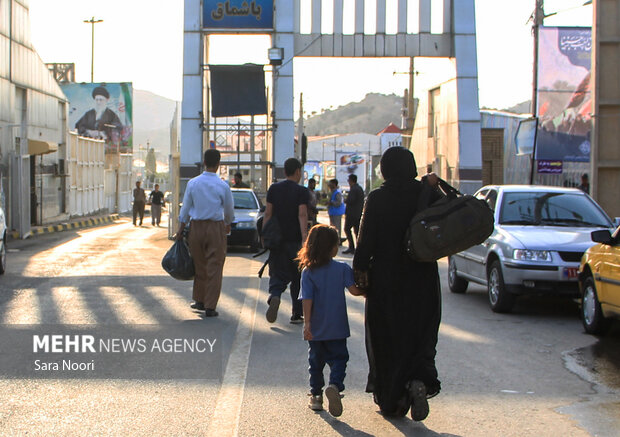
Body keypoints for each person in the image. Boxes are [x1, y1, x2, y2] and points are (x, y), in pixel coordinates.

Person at [353, 146, 441, 421]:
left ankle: (392, 399)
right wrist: (432, 186)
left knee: (387, 338)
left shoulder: (377, 198)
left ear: (385, 170)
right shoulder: (426, 193)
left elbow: (365, 243)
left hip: (387, 280)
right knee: (419, 335)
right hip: (423, 278)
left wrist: (359, 272)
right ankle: (419, 381)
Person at [298, 224, 364, 416]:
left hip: (317, 329)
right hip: (338, 328)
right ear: (331, 247)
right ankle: (335, 386)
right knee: (340, 359)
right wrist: (369, 291)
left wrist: (307, 324)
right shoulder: (342, 269)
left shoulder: (308, 272)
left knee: (315, 363)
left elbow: (307, 299)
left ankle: (316, 397)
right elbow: (354, 291)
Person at [175, 149, 234, 317]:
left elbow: (185, 208)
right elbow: (229, 209)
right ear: (218, 164)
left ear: (204, 162)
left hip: (196, 227)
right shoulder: (222, 185)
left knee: (199, 263)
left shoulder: (193, 183)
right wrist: (228, 223)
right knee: (214, 266)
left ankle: (199, 300)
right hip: (215, 227)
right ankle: (210, 306)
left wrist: (180, 230)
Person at [263, 158, 309, 324]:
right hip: (295, 240)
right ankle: (297, 313)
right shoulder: (301, 191)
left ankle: (275, 295)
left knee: (277, 272)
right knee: (297, 276)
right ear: (297, 172)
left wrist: (264, 234)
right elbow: (302, 214)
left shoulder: (274, 189)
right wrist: (305, 238)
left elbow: (268, 213)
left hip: (277, 240)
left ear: (284, 172)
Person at [342, 174, 365, 254]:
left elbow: (351, 200)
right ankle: (359, 247)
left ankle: (351, 247)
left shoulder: (354, 189)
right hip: (358, 213)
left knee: (347, 229)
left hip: (351, 213)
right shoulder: (359, 188)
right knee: (357, 231)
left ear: (351, 180)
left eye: (348, 180)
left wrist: (345, 200)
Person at [327, 179, 345, 244]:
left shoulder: (337, 193)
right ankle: (334, 240)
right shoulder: (333, 192)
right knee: (332, 228)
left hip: (336, 213)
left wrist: (331, 202)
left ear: (334, 184)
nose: (329, 185)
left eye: (330, 183)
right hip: (332, 212)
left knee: (336, 228)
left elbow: (338, 203)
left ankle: (337, 241)